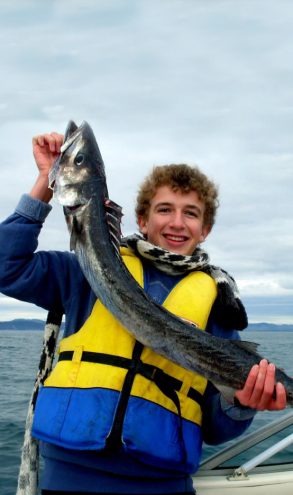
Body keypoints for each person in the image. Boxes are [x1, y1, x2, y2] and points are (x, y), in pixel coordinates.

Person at [0, 130, 287, 495]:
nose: (177, 223)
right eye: (164, 209)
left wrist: (244, 405)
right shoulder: (84, 271)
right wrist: (46, 182)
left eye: (191, 213)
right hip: (70, 475)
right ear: (142, 219)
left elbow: (216, 427)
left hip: (161, 484)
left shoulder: (219, 305)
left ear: (206, 229)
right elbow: (6, 267)